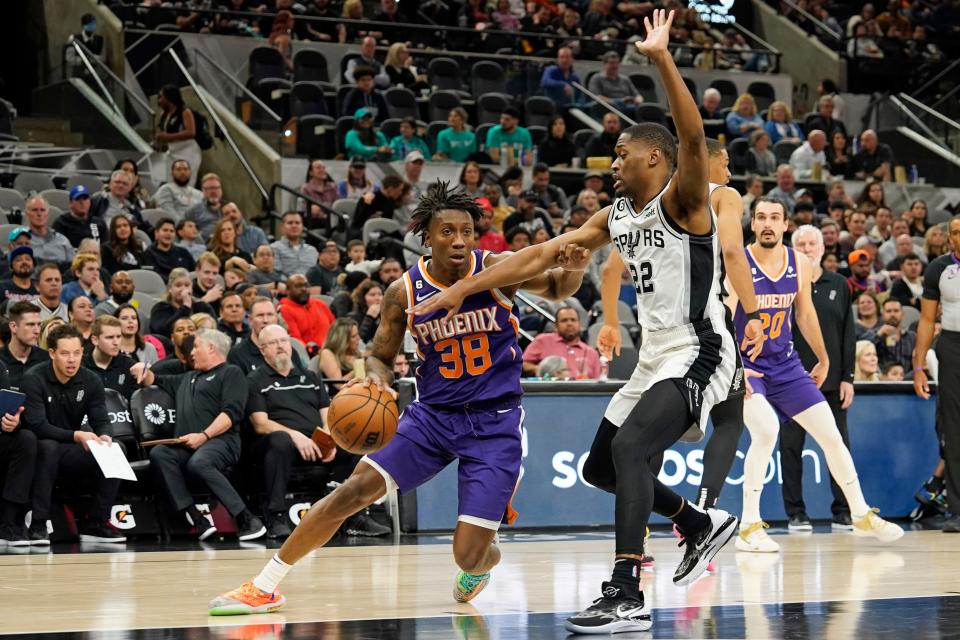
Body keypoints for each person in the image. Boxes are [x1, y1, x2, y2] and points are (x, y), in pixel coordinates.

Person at [414, 13, 748, 632]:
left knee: (630, 447)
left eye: (622, 154)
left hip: (701, 349)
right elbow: (538, 257)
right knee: (601, 467)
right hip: (655, 357)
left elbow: (694, 140)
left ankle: (626, 590)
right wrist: (461, 288)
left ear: (655, 157)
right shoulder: (616, 215)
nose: (611, 162)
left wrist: (661, 60)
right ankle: (699, 523)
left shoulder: (684, 197)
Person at [208, 176, 588, 616]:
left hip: (494, 421)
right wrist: (376, 380)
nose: (460, 241)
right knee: (351, 493)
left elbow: (559, 288)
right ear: (427, 236)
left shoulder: (495, 269)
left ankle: (484, 559)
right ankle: (264, 586)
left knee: (469, 554)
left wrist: (575, 265)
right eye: (448, 232)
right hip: (432, 416)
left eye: (467, 231)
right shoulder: (403, 291)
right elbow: (381, 356)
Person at [730, 197, 902, 554]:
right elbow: (723, 319)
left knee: (832, 436)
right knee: (766, 432)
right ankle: (748, 525)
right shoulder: (739, 262)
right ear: (753, 224)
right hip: (749, 366)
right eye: (760, 217)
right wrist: (737, 368)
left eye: (774, 218)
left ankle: (860, 512)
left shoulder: (798, 262)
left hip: (787, 365)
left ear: (785, 225)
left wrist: (823, 357)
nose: (767, 224)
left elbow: (805, 314)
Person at [133, 329, 265, 541]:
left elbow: (231, 414)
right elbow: (152, 378)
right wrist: (142, 368)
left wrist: (203, 436)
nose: (191, 352)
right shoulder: (187, 378)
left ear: (211, 348)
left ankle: (246, 518)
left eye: (196, 347)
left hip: (221, 442)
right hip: (188, 446)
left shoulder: (231, 373)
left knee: (199, 462)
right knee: (160, 453)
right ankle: (195, 517)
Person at [245, 323, 373, 538]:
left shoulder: (311, 378)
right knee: (280, 441)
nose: (280, 346)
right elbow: (260, 423)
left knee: (354, 448)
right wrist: (296, 436)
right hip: (279, 444)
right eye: (273, 343)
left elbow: (328, 416)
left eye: (283, 341)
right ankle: (276, 515)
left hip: (315, 443)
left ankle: (353, 516)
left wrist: (328, 440)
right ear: (262, 349)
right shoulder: (255, 380)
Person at [779, 225, 857, 532]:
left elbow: (848, 334)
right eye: (802, 243)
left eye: (813, 243)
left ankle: (843, 511)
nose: (808, 248)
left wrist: (848, 377)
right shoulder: (784, 284)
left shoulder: (838, 283)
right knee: (790, 450)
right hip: (791, 382)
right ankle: (796, 513)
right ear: (793, 248)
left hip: (832, 383)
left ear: (823, 248)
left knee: (837, 447)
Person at [21, 324, 125, 544]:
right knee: (48, 446)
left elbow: (102, 420)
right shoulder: (34, 378)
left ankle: (96, 523)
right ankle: (39, 523)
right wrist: (77, 436)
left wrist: (105, 436)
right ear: (52, 353)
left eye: (77, 353)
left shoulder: (90, 380)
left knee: (116, 449)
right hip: (38, 447)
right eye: (65, 353)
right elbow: (38, 425)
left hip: (71, 447)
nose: (72, 359)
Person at [913, 216, 960, 532]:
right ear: (948, 238)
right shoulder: (938, 268)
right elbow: (927, 321)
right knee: (954, 429)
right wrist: (918, 366)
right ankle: (957, 510)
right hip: (953, 346)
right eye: (955, 232)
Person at [522, 306, 600, 379]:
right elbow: (522, 363)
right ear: (555, 326)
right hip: (549, 390)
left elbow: (597, 383)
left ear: (580, 324)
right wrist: (540, 370)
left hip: (581, 392)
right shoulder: (543, 340)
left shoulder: (591, 352)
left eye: (573, 320)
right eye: (564, 320)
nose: (569, 324)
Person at [81, 316, 138, 401]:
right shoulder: (80, 366)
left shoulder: (129, 365)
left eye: (118, 337)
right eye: (110, 337)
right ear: (95, 340)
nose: (116, 343)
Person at [229, 297, 290, 374]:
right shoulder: (237, 354)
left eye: (270, 315)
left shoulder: (287, 349)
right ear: (250, 320)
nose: (266, 320)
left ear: (277, 319)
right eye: (260, 315)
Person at [150, 268, 216, 338]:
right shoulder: (161, 308)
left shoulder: (202, 306)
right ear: (170, 288)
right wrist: (186, 307)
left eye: (187, 285)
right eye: (178, 285)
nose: (183, 289)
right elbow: (162, 331)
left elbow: (215, 329)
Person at [156, 84, 202, 180]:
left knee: (185, 182)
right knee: (169, 182)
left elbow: (191, 132)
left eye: (161, 97)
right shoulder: (165, 114)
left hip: (188, 152)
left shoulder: (185, 111)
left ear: (169, 97)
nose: (159, 100)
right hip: (173, 152)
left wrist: (167, 136)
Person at [0, 302, 49, 391]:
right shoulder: (1, 360)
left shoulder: (47, 360)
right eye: (30, 325)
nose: (37, 331)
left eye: (39, 324)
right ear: (13, 326)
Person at [278, 274, 335, 347]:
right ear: (287, 290)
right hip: (310, 355)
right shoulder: (285, 310)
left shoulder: (320, 304)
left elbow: (336, 330)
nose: (304, 289)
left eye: (306, 285)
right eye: (298, 286)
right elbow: (296, 342)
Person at [587, 51, 644, 119]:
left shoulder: (625, 79)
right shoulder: (596, 78)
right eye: (611, 63)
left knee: (644, 109)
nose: (615, 66)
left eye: (617, 63)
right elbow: (596, 97)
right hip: (608, 109)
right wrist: (619, 101)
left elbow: (637, 95)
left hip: (628, 108)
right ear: (604, 64)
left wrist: (638, 100)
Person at [867, 298, 915, 372]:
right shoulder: (873, 333)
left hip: (907, 380)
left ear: (903, 314)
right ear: (882, 315)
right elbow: (862, 351)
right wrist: (879, 335)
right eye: (888, 311)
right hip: (880, 381)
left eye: (896, 311)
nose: (892, 314)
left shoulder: (912, 337)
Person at [24, 196, 75, 266]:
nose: (39, 214)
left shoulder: (63, 241)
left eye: (42, 210)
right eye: (34, 210)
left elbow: (74, 267)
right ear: (27, 214)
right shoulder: (21, 240)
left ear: (47, 215)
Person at [317, 318, 364, 393]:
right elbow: (339, 385)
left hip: (360, 394)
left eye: (358, 334)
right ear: (343, 339)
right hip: (339, 398)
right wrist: (359, 368)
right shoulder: (327, 353)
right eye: (353, 336)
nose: (358, 338)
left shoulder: (356, 353)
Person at [271, 211, 319, 277]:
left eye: (297, 223)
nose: (294, 226)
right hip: (285, 286)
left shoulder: (312, 251)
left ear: (302, 227)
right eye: (290, 223)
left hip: (311, 286)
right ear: (282, 227)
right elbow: (275, 274)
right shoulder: (273, 248)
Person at [186, 173, 225, 241]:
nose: (213, 191)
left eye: (216, 188)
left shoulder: (231, 209)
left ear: (221, 189)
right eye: (209, 189)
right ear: (203, 191)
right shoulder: (193, 211)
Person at [299, 159, 338, 228]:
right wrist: (322, 213)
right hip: (313, 220)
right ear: (311, 172)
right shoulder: (306, 188)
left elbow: (336, 205)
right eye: (318, 168)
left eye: (323, 168)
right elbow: (306, 209)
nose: (322, 170)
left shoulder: (333, 187)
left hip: (330, 218)